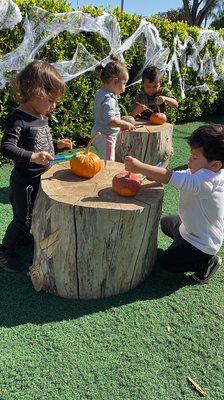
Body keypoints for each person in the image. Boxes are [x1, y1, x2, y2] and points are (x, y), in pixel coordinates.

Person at [124, 125, 224, 283]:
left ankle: (206, 263)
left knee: (167, 263)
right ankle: (181, 246)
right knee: (166, 223)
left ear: (215, 165)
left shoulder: (207, 182)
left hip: (202, 244)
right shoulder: (207, 172)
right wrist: (151, 175)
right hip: (190, 229)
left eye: (195, 157)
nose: (190, 159)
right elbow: (180, 175)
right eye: (191, 155)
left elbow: (175, 178)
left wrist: (140, 167)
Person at [0, 60, 73, 273]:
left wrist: (57, 146)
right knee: (23, 219)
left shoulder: (41, 116)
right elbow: (6, 147)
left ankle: (24, 238)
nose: (54, 106)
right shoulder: (18, 118)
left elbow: (42, 147)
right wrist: (32, 156)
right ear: (34, 91)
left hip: (42, 179)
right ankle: (5, 251)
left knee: (37, 213)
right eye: (51, 100)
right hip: (25, 182)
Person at [92, 55, 135, 161]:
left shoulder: (101, 93)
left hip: (99, 133)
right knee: (109, 163)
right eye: (124, 83)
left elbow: (104, 117)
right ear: (114, 81)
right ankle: (106, 178)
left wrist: (119, 126)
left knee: (105, 160)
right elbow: (110, 121)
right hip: (105, 137)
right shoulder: (109, 99)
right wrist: (126, 124)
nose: (124, 88)